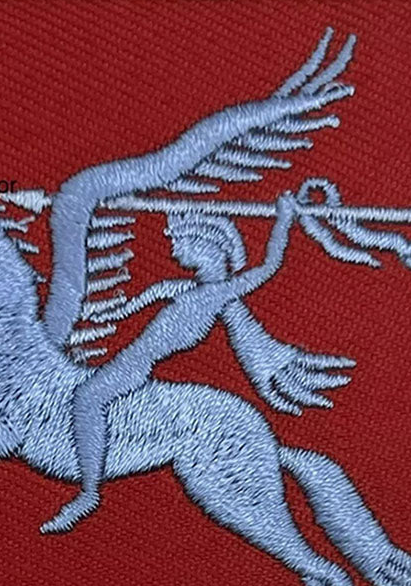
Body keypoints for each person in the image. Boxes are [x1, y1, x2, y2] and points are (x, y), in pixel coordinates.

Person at [41, 192, 297, 534]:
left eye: (179, 241)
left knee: (87, 400)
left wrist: (284, 217)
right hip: (128, 358)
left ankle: (89, 492)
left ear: (203, 247)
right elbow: (138, 303)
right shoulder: (182, 289)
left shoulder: (216, 294)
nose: (172, 247)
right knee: (83, 396)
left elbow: (268, 267)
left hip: (134, 367)